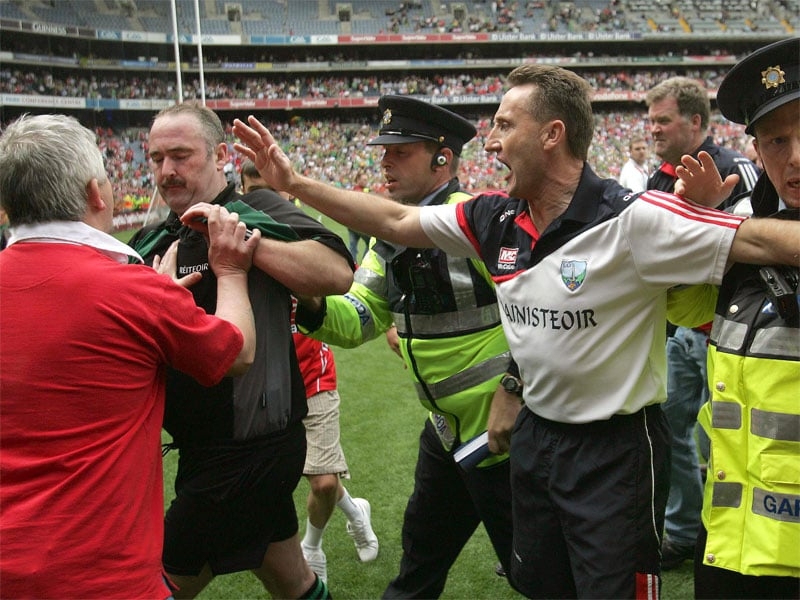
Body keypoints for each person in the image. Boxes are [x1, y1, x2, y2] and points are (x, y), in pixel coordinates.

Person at [232, 64, 800, 599]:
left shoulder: (635, 218)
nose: (492, 141)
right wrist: (295, 183)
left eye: (505, 124)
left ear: (552, 134)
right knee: (543, 586)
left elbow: (755, 240)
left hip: (615, 450)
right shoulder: (491, 218)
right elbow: (396, 221)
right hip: (535, 441)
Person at [0, 113, 258, 599]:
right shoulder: (128, 290)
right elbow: (237, 351)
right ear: (97, 194)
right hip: (103, 577)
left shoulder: (132, 293)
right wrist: (229, 270)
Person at [291, 95, 519, 598]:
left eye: (401, 151)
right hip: (444, 433)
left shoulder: (477, 219)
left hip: (504, 439)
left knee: (538, 573)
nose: (384, 162)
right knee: (417, 565)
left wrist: (514, 386)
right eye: (383, 151)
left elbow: (537, 314)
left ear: (443, 157)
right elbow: (359, 319)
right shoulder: (387, 236)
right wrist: (307, 303)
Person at [128, 102, 354, 600]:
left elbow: (336, 273)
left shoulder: (259, 212)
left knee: (151, 585)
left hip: (248, 449)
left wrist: (245, 246)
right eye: (156, 158)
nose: (167, 171)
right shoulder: (153, 239)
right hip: (204, 448)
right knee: (290, 577)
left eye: (182, 155)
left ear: (221, 155)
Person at [671, 36, 799, 599]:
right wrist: (695, 225)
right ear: (757, 154)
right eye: (777, 140)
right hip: (730, 541)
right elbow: (679, 303)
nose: (795, 155)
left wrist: (717, 229)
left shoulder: (738, 235)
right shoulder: (740, 247)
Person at [241, 160, 379, 583]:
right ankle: (356, 510)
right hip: (263, 381)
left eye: (270, 188)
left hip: (310, 373)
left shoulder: (305, 235)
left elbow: (342, 282)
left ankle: (311, 547)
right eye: (253, 190)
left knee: (320, 481)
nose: (263, 198)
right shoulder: (232, 240)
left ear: (287, 191)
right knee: (286, 479)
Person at [645, 75, 761, 570]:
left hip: (734, 339)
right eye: (650, 121)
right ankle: (684, 531)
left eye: (663, 120)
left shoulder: (736, 170)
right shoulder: (657, 180)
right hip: (682, 334)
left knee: (729, 440)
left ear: (695, 121)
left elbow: (757, 246)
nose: (653, 129)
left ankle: (734, 535)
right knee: (672, 431)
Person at [347, 170, 372, 263]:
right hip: (359, 224)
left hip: (350, 223)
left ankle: (352, 264)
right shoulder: (359, 192)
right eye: (364, 180)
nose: (366, 181)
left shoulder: (354, 190)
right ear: (358, 180)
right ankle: (364, 263)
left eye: (366, 179)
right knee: (370, 243)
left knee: (353, 245)